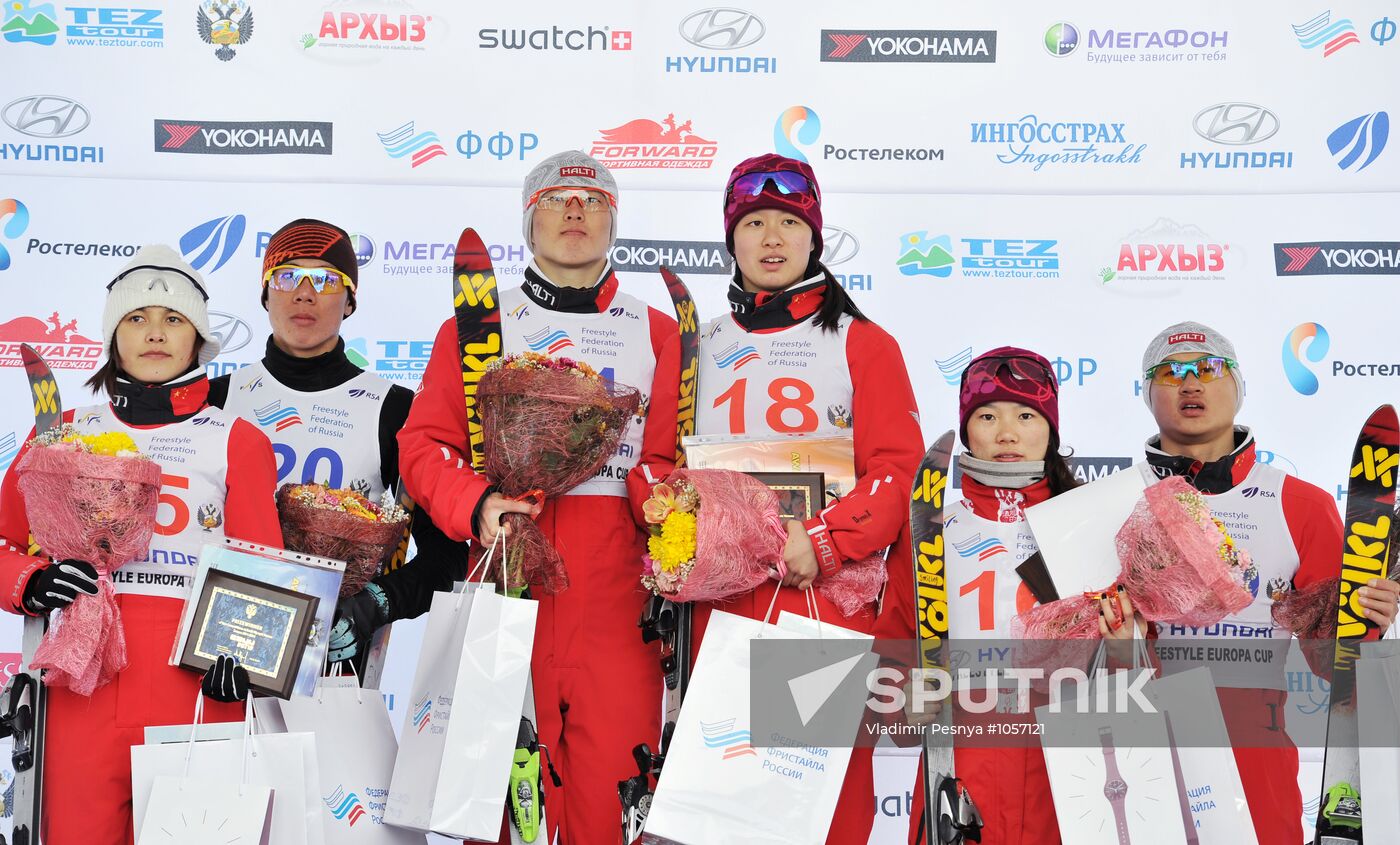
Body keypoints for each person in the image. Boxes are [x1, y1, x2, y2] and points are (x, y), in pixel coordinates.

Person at [397, 151, 679, 843]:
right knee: (496, 803)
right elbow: (424, 447)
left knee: (612, 801)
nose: (575, 209)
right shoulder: (480, 326)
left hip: (617, 596)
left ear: (615, 220)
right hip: (506, 577)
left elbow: (668, 456)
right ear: (529, 221)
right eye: (557, 198)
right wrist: (476, 502)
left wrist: (663, 505)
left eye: (593, 198)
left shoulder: (659, 331)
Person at [0, 245, 282, 843]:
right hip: (83, 684)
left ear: (199, 340)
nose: (154, 333)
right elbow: (4, 542)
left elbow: (264, 571)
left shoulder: (238, 439)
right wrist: (30, 581)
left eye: (173, 319)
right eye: (136, 318)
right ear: (112, 336)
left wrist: (248, 661)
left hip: (198, 686)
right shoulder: (64, 431)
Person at [691, 153, 925, 844]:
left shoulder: (863, 341)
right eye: (753, 222)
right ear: (730, 239)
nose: (770, 238)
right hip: (720, 599)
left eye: (789, 223)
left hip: (815, 598)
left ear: (813, 237)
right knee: (722, 805)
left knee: (813, 807)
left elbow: (896, 471)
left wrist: (823, 541)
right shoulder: (700, 343)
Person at [1139, 321, 1399, 844]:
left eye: (1210, 368)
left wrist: (1367, 620)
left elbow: (1331, 669)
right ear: (1147, 394)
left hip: (1251, 754)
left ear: (1238, 386)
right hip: (1135, 747)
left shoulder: (1301, 503)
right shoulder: (1107, 500)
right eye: (1171, 373)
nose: (1191, 383)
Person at [882, 347, 1139, 845]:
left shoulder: (1093, 526)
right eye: (986, 415)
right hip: (963, 766)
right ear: (966, 429)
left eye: (1026, 415)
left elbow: (1140, 682)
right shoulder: (929, 530)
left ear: (1050, 429)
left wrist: (1128, 652)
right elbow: (891, 648)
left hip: (1071, 771)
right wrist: (900, 705)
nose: (1006, 433)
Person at [209, 218, 467, 671]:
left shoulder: (392, 408)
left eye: (327, 280)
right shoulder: (217, 399)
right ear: (265, 293)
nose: (305, 293)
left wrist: (373, 605)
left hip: (334, 658)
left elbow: (446, 556)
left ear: (350, 302)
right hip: (225, 650)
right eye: (287, 275)